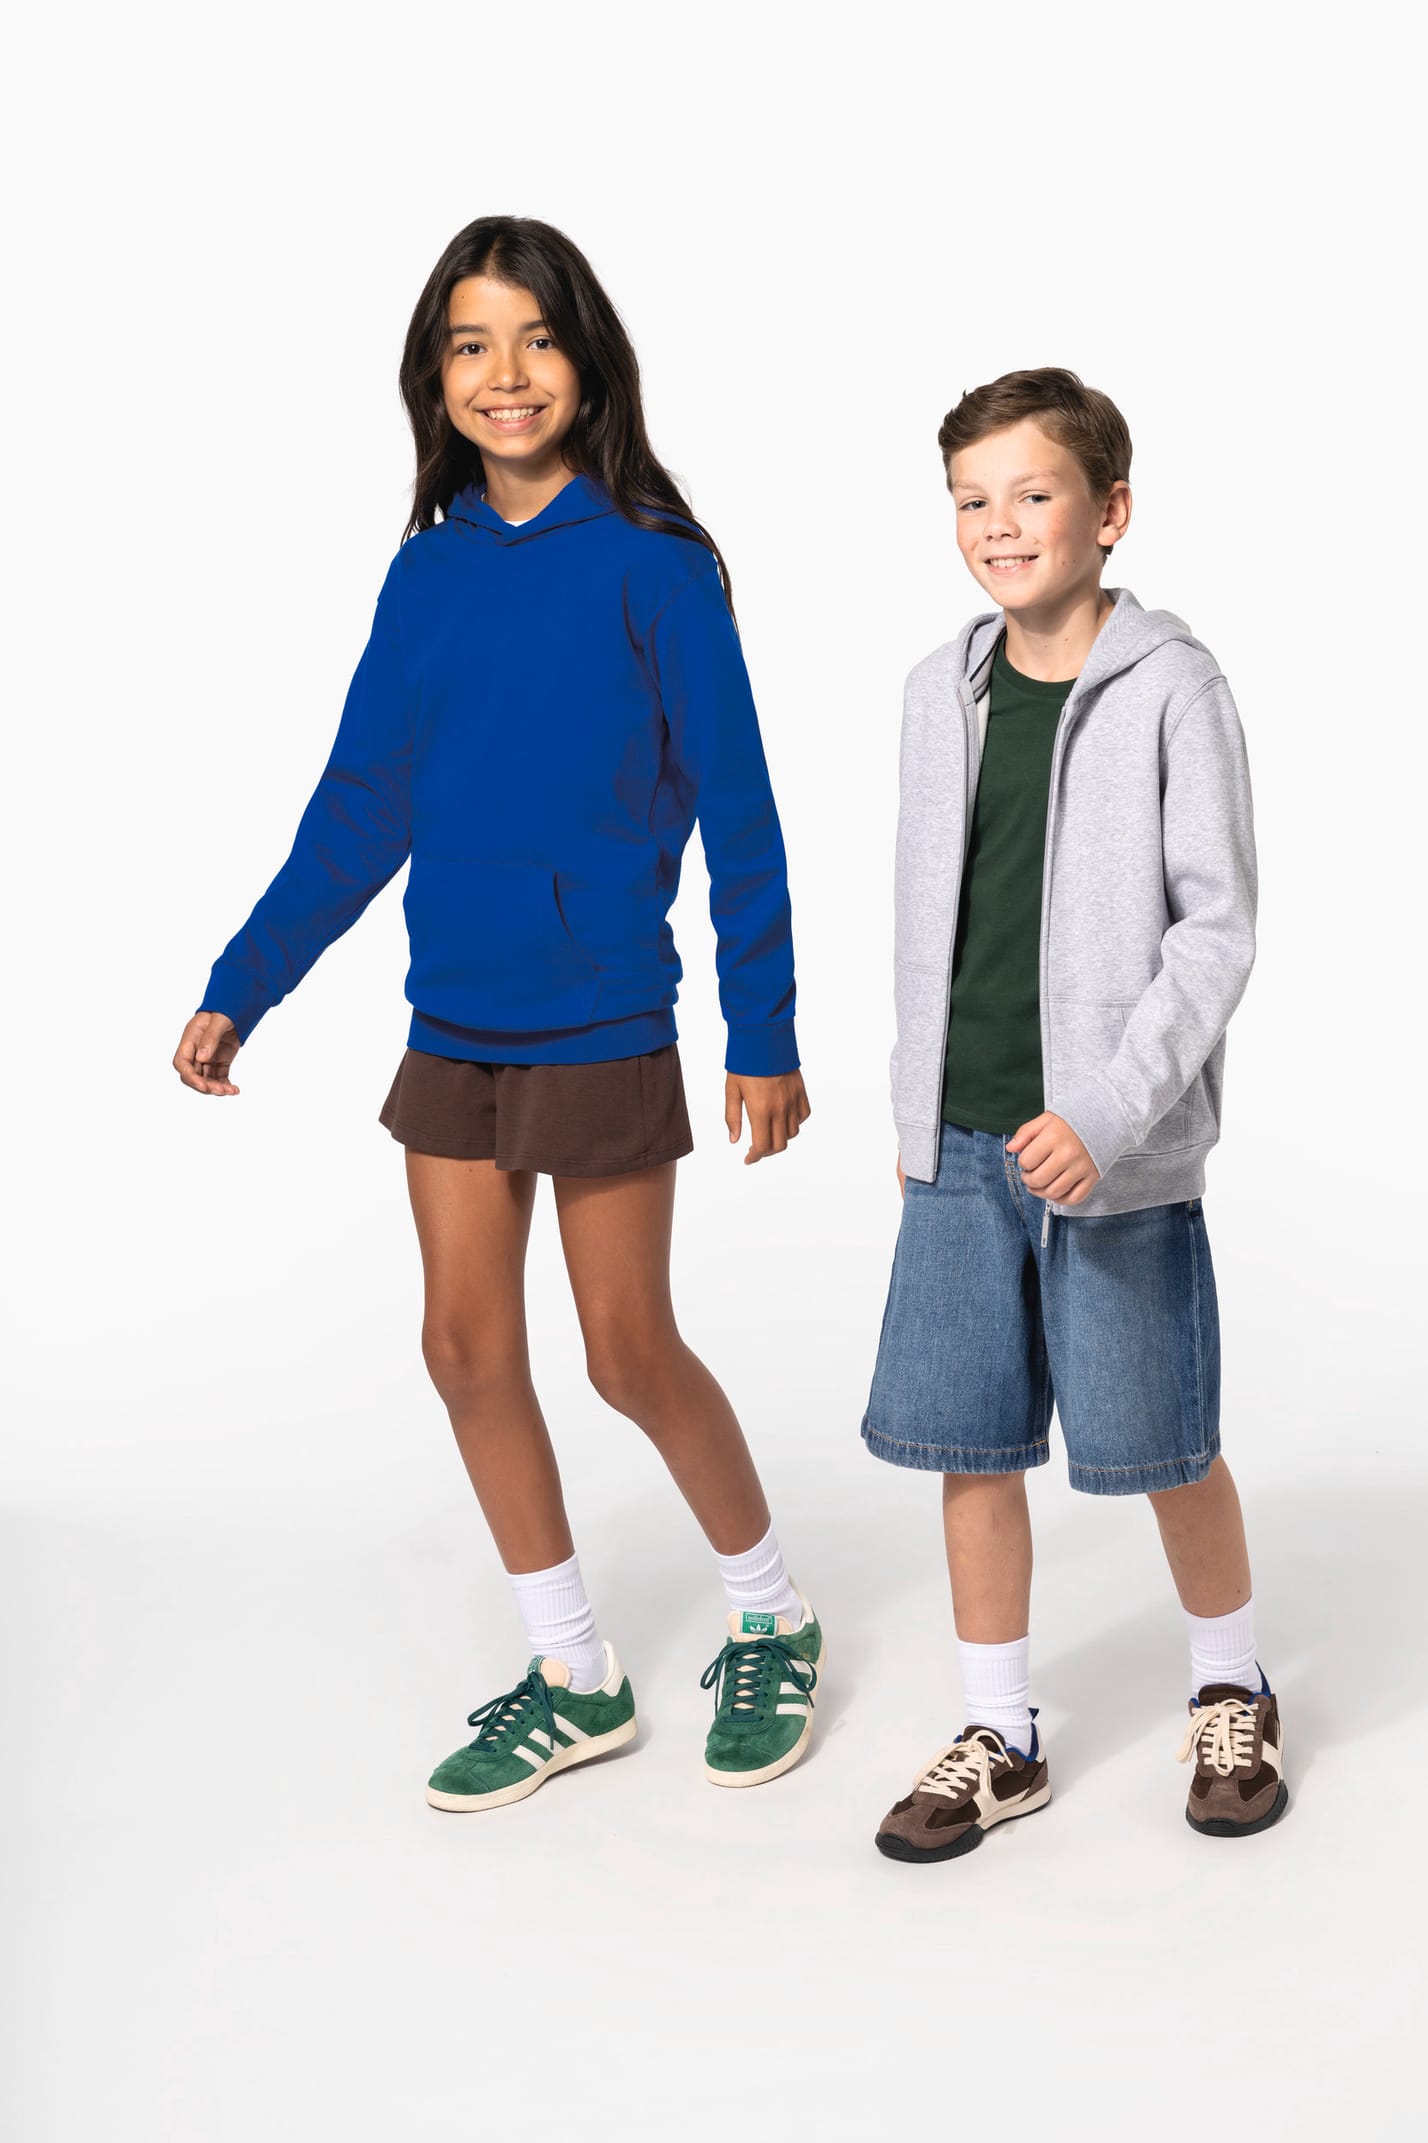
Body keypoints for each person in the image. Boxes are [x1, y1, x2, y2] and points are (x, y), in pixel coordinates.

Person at [173, 215, 822, 1812]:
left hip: (600, 1014)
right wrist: (243, 982)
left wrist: (765, 1031)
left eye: (535, 340)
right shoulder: (428, 574)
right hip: (453, 1021)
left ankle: (773, 1616)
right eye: (471, 344)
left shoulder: (655, 567)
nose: (506, 373)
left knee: (625, 1350)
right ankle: (575, 1675)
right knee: (463, 1347)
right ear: (435, 376)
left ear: (587, 363)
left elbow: (740, 809)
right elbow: (361, 804)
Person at [862, 368, 1285, 1863]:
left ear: (1109, 510)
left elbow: (1217, 932)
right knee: (970, 1445)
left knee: (1163, 1439)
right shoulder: (939, 691)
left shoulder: (1176, 688)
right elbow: (933, 913)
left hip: (1113, 1147)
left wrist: (1106, 1112)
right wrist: (918, 1105)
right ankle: (1003, 1732)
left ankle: (1232, 1687)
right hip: (960, 1139)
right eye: (970, 499)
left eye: (1031, 493)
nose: (998, 523)